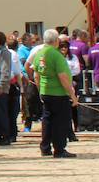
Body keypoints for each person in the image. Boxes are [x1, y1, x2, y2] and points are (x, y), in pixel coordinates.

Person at [32, 29, 77, 158]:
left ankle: (45, 147)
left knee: (48, 120)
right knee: (60, 121)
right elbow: (63, 77)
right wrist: (72, 95)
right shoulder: (56, 55)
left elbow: (36, 74)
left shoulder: (40, 53)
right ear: (56, 40)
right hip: (58, 93)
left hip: (46, 91)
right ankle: (59, 149)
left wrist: (40, 90)